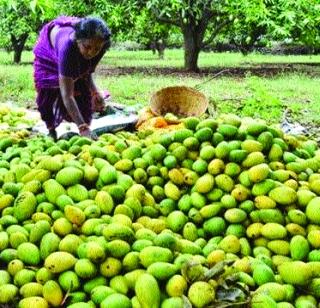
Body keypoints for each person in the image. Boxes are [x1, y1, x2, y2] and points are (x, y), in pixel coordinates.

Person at [33, 16, 111, 140]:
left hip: (71, 50)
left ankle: (82, 123)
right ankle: (51, 130)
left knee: (83, 95)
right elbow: (67, 95)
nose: (91, 52)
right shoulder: (67, 48)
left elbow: (86, 71)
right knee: (49, 93)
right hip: (50, 51)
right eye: (87, 47)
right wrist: (83, 128)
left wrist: (95, 92)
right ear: (78, 40)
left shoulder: (101, 45)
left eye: (96, 48)